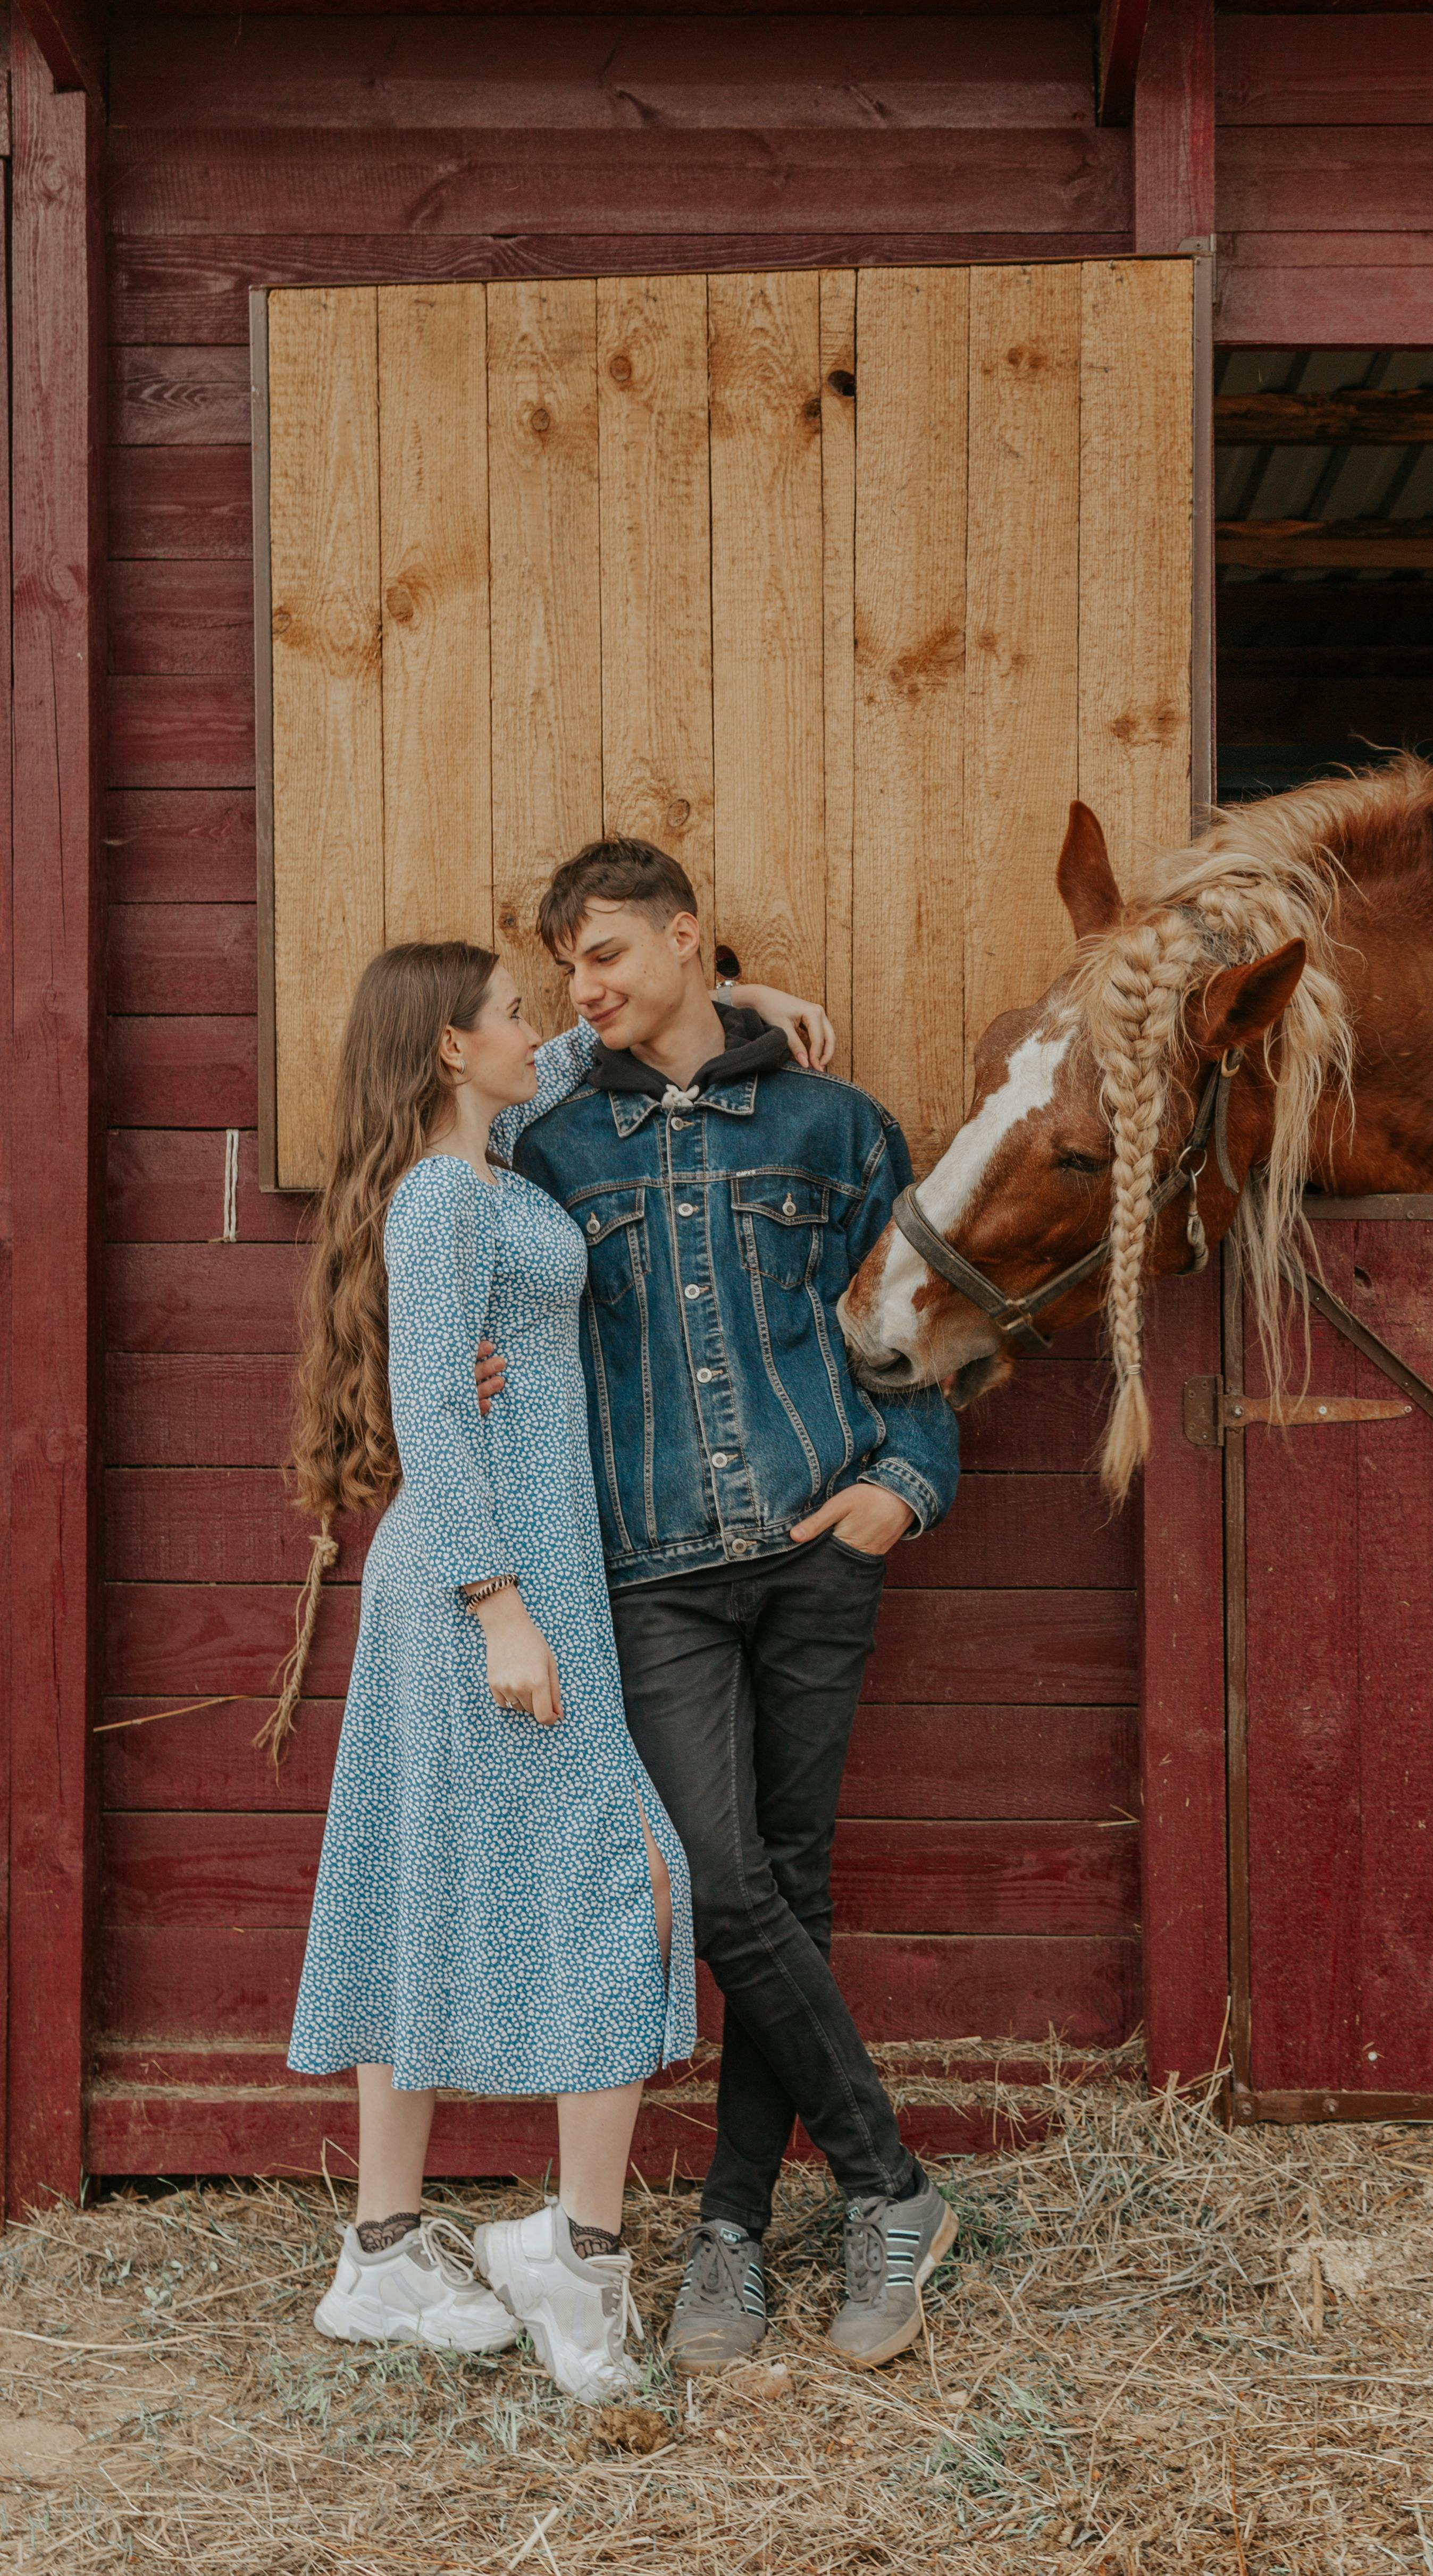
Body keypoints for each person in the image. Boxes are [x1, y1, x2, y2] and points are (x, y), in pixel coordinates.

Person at [284, 938, 829, 2396]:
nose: (544, 1026)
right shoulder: (448, 1198)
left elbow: (585, 1052)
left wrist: (733, 1006)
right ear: (452, 1049)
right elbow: (434, 1416)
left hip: (521, 1580)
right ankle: (576, 2264)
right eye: (514, 1014)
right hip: (490, 1587)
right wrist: (498, 1606)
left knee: (423, 1875)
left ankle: (383, 2252)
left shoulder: (483, 1157)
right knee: (635, 1872)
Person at [482, 837, 962, 2375]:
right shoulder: (552, 1146)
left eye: (612, 951)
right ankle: (892, 2184)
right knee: (720, 1880)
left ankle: (733, 2242)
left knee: (790, 1889)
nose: (589, 984)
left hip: (823, 1552)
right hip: (656, 1577)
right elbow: (488, 1299)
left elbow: (925, 1332)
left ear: (691, 939)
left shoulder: (835, 1126)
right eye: (571, 966)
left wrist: (906, 1483)